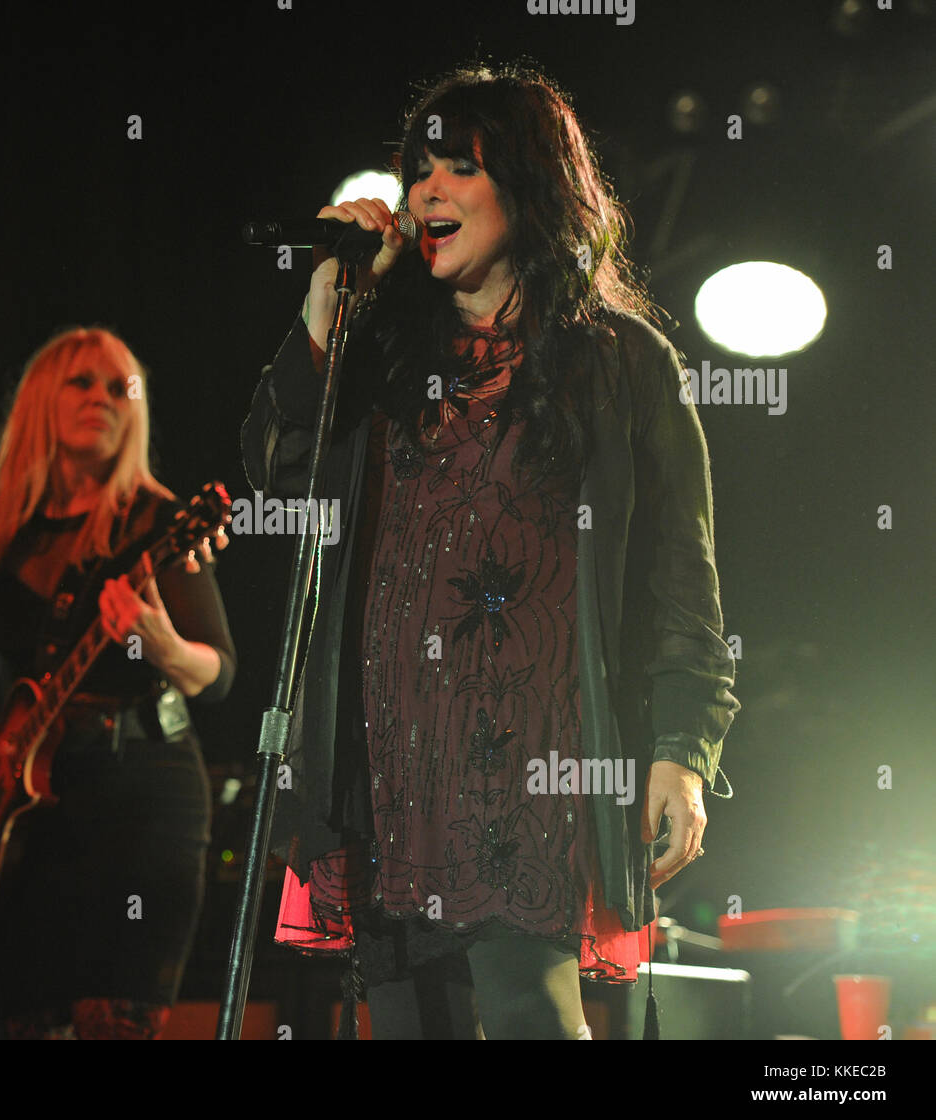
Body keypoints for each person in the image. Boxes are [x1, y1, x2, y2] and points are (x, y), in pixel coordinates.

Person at [241, 62, 740, 1039]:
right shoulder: (376, 351)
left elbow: (682, 584)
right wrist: (319, 320)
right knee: (412, 1022)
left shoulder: (622, 361)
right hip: (388, 754)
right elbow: (274, 476)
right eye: (414, 170)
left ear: (528, 181)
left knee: (528, 1014)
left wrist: (683, 751)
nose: (424, 192)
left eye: (454, 167)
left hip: (536, 755)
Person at [0, 326, 235, 1039]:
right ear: (43, 400)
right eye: (83, 382)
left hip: (142, 803)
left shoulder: (162, 522)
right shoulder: (11, 536)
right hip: (34, 822)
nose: (103, 397)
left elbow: (218, 672)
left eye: (120, 386)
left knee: (112, 1021)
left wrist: (162, 643)